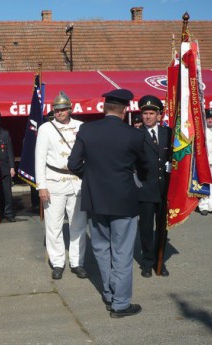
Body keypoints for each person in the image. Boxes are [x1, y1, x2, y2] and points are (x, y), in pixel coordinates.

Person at [68, 89, 148, 318]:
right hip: (124, 199)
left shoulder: (87, 129)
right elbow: (144, 167)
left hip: (96, 199)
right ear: (124, 110)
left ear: (104, 108)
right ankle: (120, 304)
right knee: (122, 252)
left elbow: (73, 163)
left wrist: (91, 175)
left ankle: (110, 294)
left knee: (102, 249)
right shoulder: (134, 135)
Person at [35, 91, 88, 280]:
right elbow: (39, 159)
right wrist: (41, 185)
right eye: (56, 110)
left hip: (76, 182)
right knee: (54, 225)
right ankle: (57, 262)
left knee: (78, 225)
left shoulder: (81, 127)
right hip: (54, 181)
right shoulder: (45, 129)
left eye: (63, 109)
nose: (59, 112)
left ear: (70, 109)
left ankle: (77, 262)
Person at [136, 95, 172, 278]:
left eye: (151, 113)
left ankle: (160, 261)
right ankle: (147, 262)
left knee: (162, 227)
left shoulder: (168, 133)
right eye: (145, 113)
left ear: (159, 115)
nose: (148, 116)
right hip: (145, 188)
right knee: (146, 228)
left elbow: (175, 156)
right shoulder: (136, 134)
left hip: (164, 188)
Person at [0, 111, 16, 223]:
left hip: (4, 167)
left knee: (7, 192)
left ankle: (9, 213)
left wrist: (12, 167)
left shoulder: (5, 133)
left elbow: (10, 151)